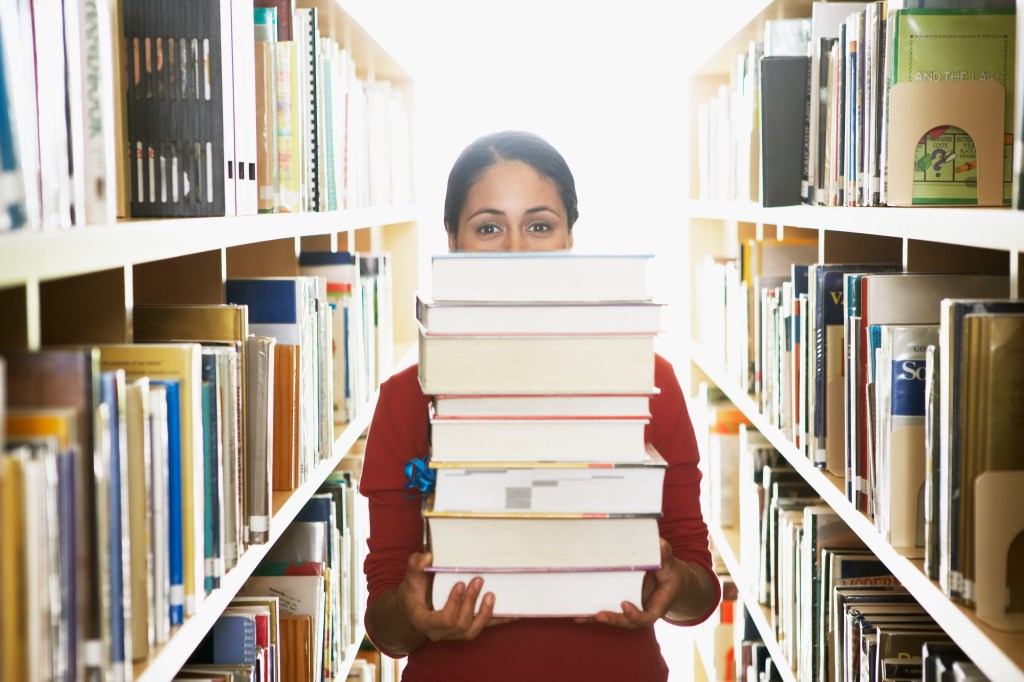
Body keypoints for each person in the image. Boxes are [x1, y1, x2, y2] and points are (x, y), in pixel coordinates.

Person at [359, 130, 721, 681]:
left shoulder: (651, 382)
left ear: (570, 237)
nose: (515, 251)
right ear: (452, 241)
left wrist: (676, 582)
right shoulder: (406, 398)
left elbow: (699, 596)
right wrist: (415, 614)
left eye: (539, 225)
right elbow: (385, 627)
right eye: (488, 228)